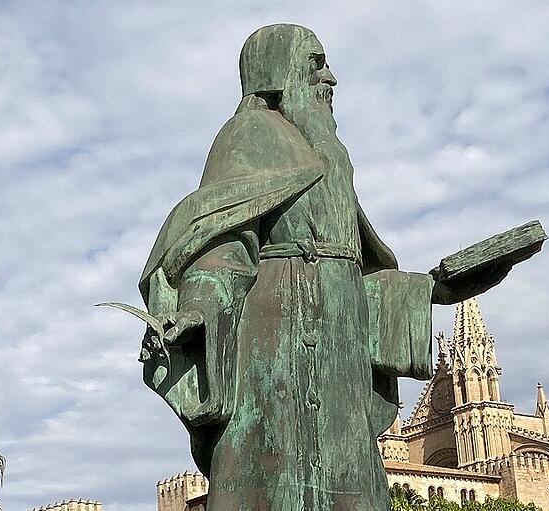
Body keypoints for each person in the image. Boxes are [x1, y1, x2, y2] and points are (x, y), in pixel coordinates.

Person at [137, 24, 509, 510]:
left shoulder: (333, 154)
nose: (329, 77)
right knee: (270, 480)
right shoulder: (247, 134)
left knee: (350, 482)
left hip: (340, 354)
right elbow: (222, 242)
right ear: (275, 72)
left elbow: (354, 274)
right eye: (314, 64)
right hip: (272, 345)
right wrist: (200, 310)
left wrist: (431, 289)